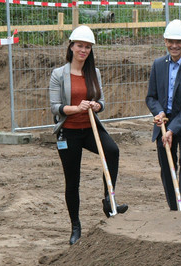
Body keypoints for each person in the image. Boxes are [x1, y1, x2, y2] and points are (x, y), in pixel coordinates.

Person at [49, 25, 128, 245]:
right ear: (72, 46)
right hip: (69, 132)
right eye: (80, 46)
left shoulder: (94, 73)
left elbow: (101, 102)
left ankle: (108, 201)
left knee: (112, 151)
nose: (83, 50)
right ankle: (75, 225)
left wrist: (96, 105)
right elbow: (55, 107)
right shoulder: (59, 74)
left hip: (90, 129)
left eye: (88, 47)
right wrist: (76, 108)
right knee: (72, 180)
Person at [145, 20, 181, 211]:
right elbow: (151, 97)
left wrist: (172, 129)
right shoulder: (158, 65)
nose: (174, 45)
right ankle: (173, 207)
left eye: (179, 41)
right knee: (166, 162)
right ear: (165, 41)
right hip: (163, 121)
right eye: (170, 41)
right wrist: (159, 112)